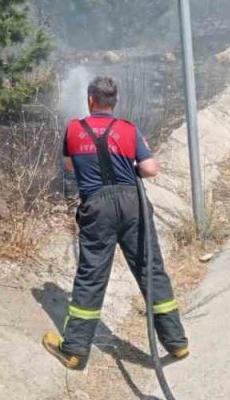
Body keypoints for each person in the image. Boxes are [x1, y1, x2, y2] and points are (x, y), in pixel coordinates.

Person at [43, 75, 189, 369]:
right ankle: (176, 343)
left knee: (91, 276)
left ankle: (74, 350)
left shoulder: (73, 129)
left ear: (90, 100)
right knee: (151, 269)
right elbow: (150, 170)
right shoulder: (128, 130)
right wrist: (129, 163)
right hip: (133, 204)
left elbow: (70, 165)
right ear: (115, 101)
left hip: (96, 207)